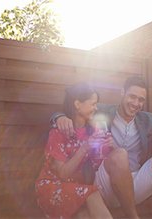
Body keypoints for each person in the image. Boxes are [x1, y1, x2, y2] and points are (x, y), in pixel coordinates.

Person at [50, 76, 152, 219]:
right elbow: (72, 110)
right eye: (132, 97)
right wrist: (59, 117)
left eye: (141, 100)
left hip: (137, 181)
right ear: (122, 93)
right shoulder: (102, 110)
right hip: (105, 183)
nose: (136, 103)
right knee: (120, 154)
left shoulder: (148, 120)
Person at [35, 82, 113, 219]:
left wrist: (108, 147)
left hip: (78, 187)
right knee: (92, 194)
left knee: (84, 215)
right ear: (77, 104)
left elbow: (97, 164)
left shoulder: (94, 130)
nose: (96, 108)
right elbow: (63, 174)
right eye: (93, 104)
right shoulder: (58, 132)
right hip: (52, 186)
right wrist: (85, 148)